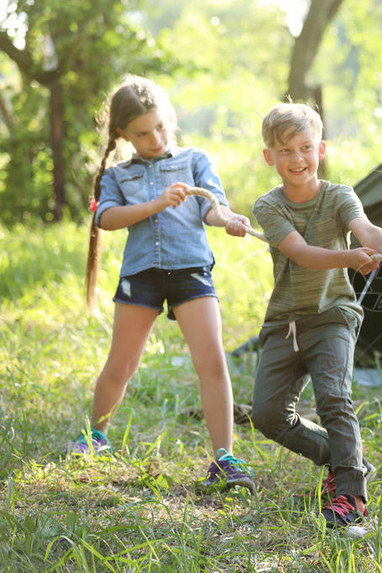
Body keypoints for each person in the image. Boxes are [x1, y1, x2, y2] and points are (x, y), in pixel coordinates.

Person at [70, 75, 255, 495]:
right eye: (141, 133)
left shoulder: (194, 158)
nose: (154, 138)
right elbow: (107, 219)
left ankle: (224, 456)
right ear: (123, 135)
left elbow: (212, 208)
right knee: (122, 364)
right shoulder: (117, 175)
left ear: (169, 119)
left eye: (160, 126)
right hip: (142, 275)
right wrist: (155, 204)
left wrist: (227, 220)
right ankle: (95, 436)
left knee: (211, 361)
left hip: (191, 270)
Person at [250, 102, 382, 528]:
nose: (296, 159)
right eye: (285, 152)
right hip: (285, 321)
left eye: (304, 148)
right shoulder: (268, 206)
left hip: (334, 314)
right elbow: (300, 254)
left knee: (334, 397)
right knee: (266, 414)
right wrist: (351, 258)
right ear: (269, 157)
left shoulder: (340, 196)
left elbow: (366, 230)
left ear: (321, 149)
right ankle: (344, 462)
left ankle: (351, 495)